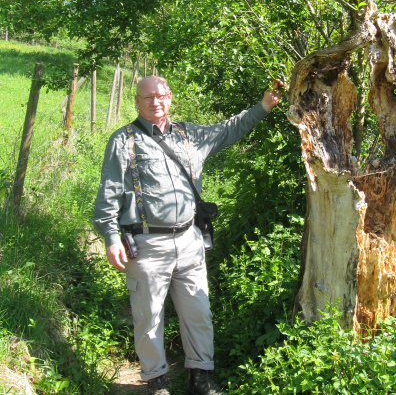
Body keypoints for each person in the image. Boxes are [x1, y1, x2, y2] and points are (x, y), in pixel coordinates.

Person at [93, 75, 284, 395]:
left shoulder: (190, 135)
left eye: (161, 95)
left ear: (170, 97)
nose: (155, 102)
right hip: (146, 244)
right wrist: (112, 237)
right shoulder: (123, 141)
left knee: (199, 314)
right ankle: (157, 381)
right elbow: (108, 197)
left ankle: (200, 378)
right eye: (147, 97)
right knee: (148, 317)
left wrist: (263, 106)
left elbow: (228, 129)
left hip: (190, 241)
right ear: (137, 102)